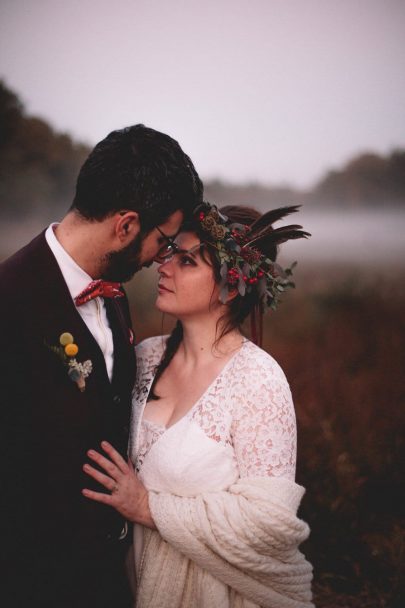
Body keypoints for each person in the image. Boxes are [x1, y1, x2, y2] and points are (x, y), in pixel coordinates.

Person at [0, 124, 202, 608]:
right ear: (126, 225)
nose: (162, 258)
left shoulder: (113, 294)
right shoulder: (9, 300)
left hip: (108, 579)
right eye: (164, 240)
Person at [82, 201, 314, 607]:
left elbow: (270, 526)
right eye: (170, 253)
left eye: (186, 261)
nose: (163, 266)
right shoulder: (145, 357)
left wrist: (148, 508)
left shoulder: (257, 380)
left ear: (231, 285)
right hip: (127, 583)